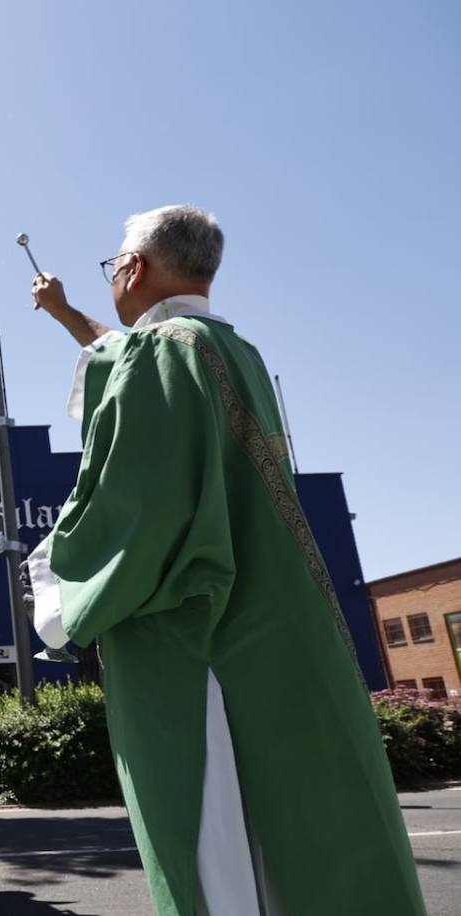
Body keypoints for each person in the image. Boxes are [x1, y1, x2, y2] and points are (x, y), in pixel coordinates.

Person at [24, 205, 424, 916]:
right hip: (275, 623)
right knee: (300, 833)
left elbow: (135, 502)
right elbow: (118, 351)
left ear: (133, 267)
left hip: (196, 636)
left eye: (114, 260)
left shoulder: (161, 356)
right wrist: (65, 314)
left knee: (217, 840)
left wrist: (57, 582)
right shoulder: (226, 349)